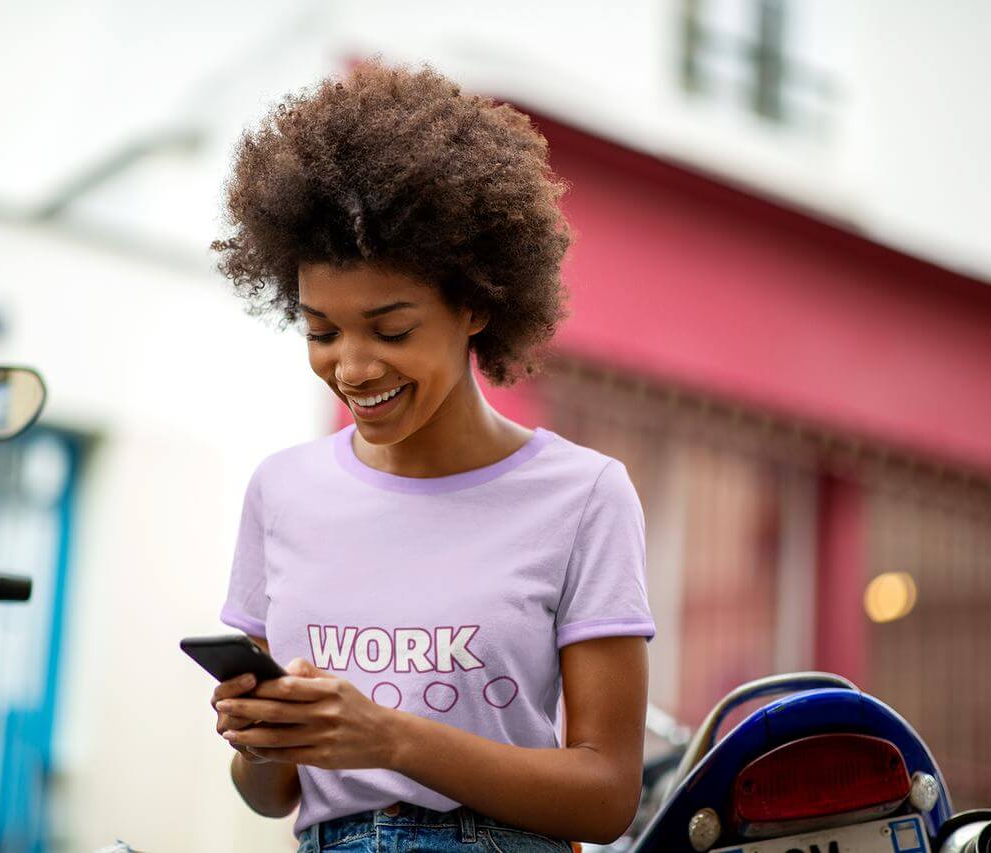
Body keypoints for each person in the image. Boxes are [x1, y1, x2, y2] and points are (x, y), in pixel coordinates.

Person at [207, 55, 657, 853]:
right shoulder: (282, 491)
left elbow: (606, 794)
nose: (352, 367)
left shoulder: (584, 495)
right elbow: (269, 796)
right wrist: (263, 738)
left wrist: (390, 737)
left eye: (391, 329)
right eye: (321, 331)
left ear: (475, 304)